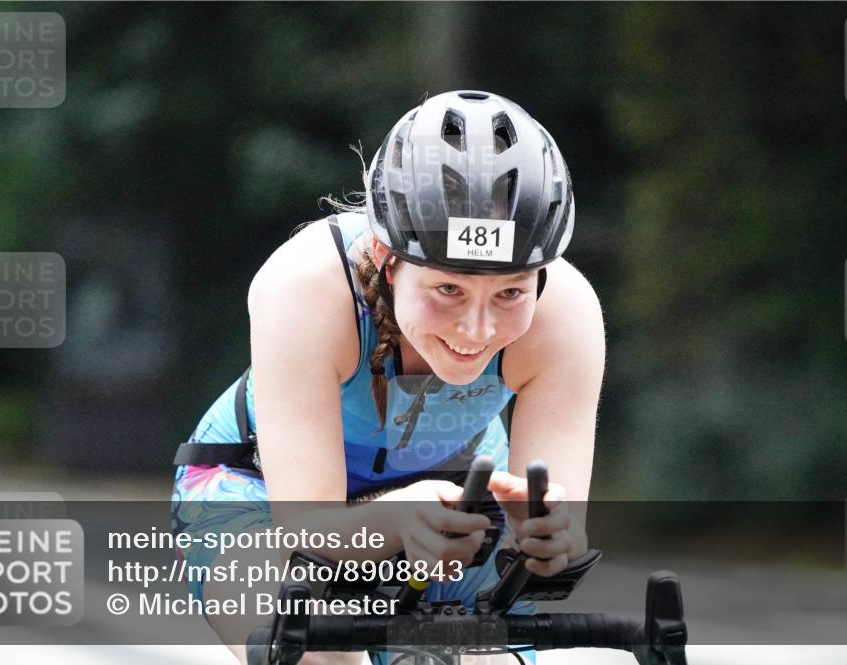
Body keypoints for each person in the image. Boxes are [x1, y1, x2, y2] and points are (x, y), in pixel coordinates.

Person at [171, 90, 606, 665]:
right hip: (257, 492)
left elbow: (559, 534)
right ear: (387, 256)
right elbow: (304, 528)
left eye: (509, 292)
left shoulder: (566, 312)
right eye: (448, 288)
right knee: (317, 653)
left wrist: (549, 540)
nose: (476, 329)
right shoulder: (303, 285)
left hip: (453, 501)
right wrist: (396, 520)